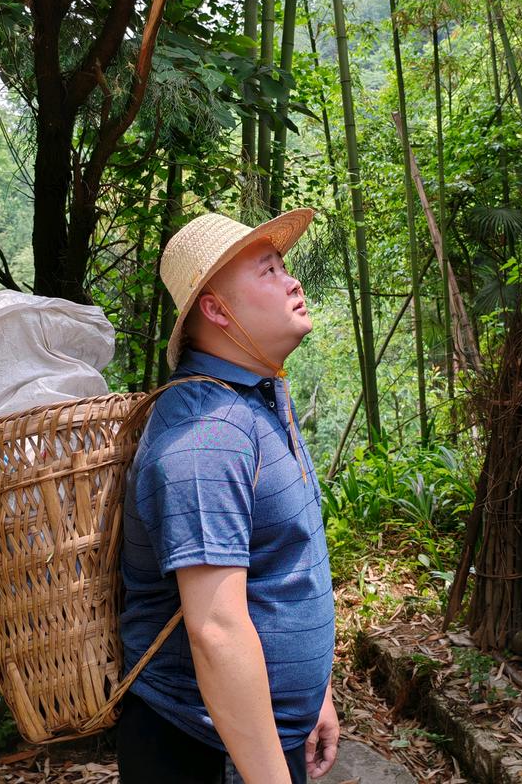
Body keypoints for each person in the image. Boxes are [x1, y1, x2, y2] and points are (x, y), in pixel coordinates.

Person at [118, 208, 338, 784]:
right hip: (204, 750)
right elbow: (216, 630)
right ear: (217, 311)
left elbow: (285, 562)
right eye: (269, 271)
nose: (293, 281)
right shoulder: (205, 435)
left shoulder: (259, 397)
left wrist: (315, 693)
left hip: (259, 737)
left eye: (283, 265)